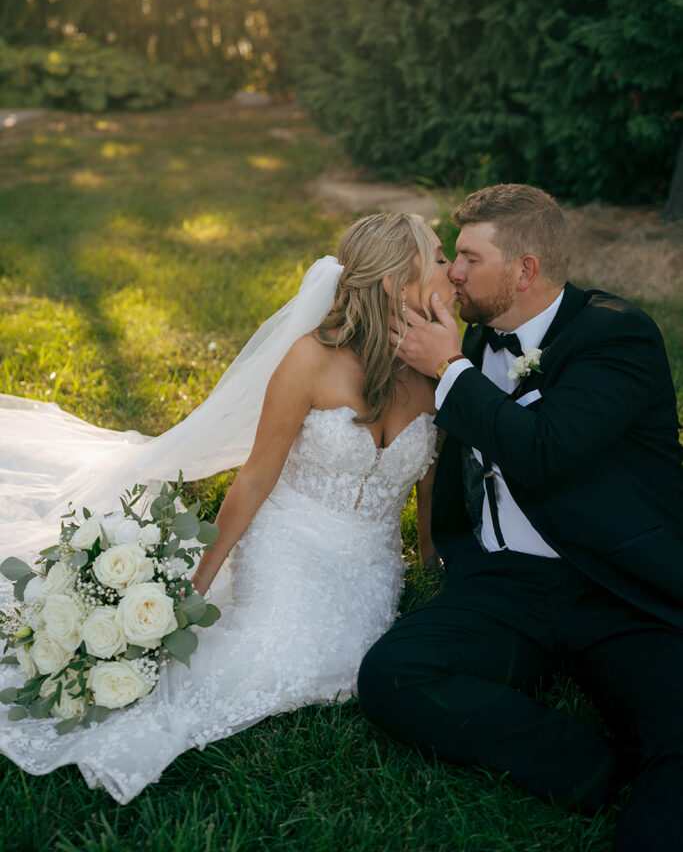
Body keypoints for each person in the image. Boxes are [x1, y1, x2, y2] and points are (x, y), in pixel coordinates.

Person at [0, 212, 451, 803]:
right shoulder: (310, 360)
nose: (451, 269)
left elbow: (428, 492)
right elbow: (256, 479)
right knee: (278, 652)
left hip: (369, 560)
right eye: (440, 256)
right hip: (290, 536)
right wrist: (197, 585)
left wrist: (434, 569)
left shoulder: (442, 366)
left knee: (348, 660)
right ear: (396, 281)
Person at [357, 184, 683, 852]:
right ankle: (585, 765)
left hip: (614, 586)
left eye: (470, 258)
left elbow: (545, 450)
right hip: (504, 587)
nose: (452, 271)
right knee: (391, 675)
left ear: (524, 270)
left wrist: (449, 371)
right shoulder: (469, 339)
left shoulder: (614, 334)